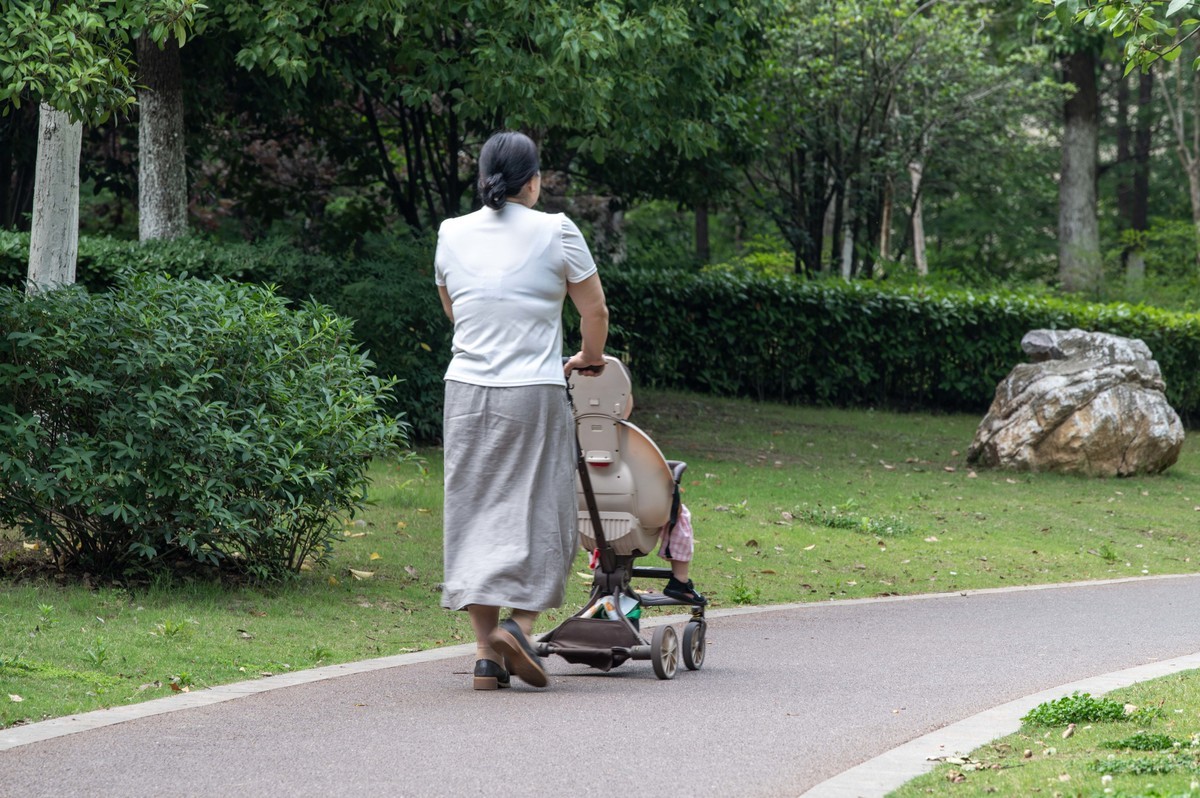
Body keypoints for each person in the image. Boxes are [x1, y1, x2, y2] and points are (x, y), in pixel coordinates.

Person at [435, 130, 609, 690]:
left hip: (465, 391)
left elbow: (456, 310)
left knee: (475, 513)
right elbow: (595, 310)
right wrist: (589, 358)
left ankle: (486, 655)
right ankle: (520, 626)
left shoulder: (450, 232)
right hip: (532, 389)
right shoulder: (556, 230)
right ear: (532, 182)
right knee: (545, 509)